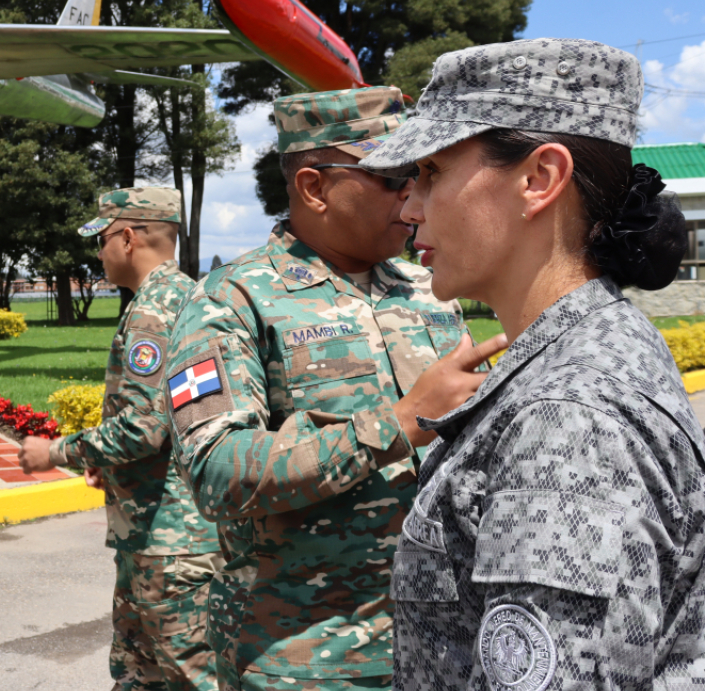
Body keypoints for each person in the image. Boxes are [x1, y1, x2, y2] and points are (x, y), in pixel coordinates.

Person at [355, 38, 705, 689]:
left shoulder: (567, 417)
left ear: (539, 179)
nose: (408, 207)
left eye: (431, 173)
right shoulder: (596, 345)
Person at [162, 86, 507, 691]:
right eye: (396, 176)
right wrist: (397, 424)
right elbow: (214, 473)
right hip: (308, 658)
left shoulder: (426, 290)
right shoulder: (231, 301)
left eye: (423, 175)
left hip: (446, 644)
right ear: (315, 188)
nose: (415, 197)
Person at [19, 187, 224, 691]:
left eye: (103, 240)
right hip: (165, 530)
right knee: (138, 672)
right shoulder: (189, 296)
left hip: (170, 540)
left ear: (128, 238)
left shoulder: (153, 311)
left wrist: (55, 451)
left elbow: (144, 427)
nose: (98, 253)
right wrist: (110, 463)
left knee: (188, 676)